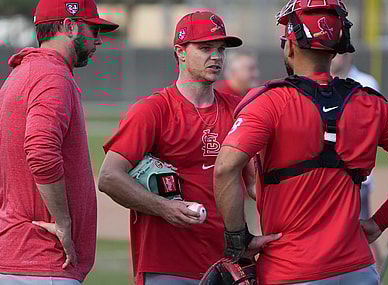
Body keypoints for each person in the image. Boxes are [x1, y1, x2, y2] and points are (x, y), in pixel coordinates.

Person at [214, 1, 388, 284]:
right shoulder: (372, 103)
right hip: (358, 271)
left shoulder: (268, 102)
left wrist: (237, 239)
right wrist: (380, 222)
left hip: (290, 269)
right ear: (339, 46)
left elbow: (225, 168)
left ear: (290, 46)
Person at [98, 11, 276, 285]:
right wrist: (164, 207)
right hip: (168, 264)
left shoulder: (237, 110)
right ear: (180, 52)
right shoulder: (153, 111)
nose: (216, 56)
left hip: (228, 263)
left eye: (220, 49)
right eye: (205, 48)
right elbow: (109, 176)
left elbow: (255, 183)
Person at [0, 0, 118, 284]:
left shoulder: (17, 75)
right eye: (94, 30)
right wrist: (63, 222)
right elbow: (40, 150)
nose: (98, 41)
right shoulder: (53, 75)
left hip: (15, 253)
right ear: (69, 26)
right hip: (44, 261)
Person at [331, 52, 383, 271]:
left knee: (361, 234)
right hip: (329, 175)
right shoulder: (321, 83)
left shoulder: (366, 83)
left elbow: (373, 129)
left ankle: (377, 275)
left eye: (341, 51)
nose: (336, 56)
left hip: (356, 175)